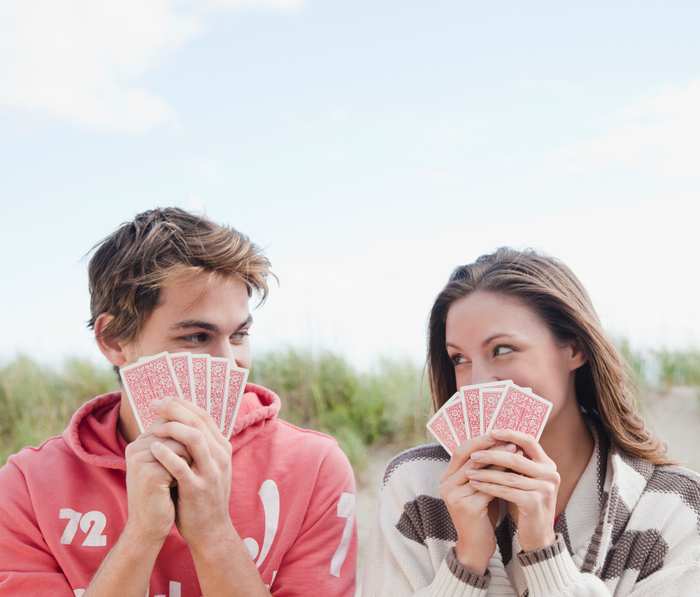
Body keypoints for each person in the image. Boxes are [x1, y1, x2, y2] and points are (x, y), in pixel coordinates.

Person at [0, 207, 357, 596]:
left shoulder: (313, 468)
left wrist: (213, 534)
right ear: (114, 340)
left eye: (239, 336)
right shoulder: (28, 486)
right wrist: (140, 537)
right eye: (196, 337)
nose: (229, 363)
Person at [363, 247, 700, 596]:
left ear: (574, 348)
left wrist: (544, 555)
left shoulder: (674, 506)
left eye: (503, 350)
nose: (477, 383)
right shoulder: (415, 487)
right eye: (459, 358)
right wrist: (467, 563)